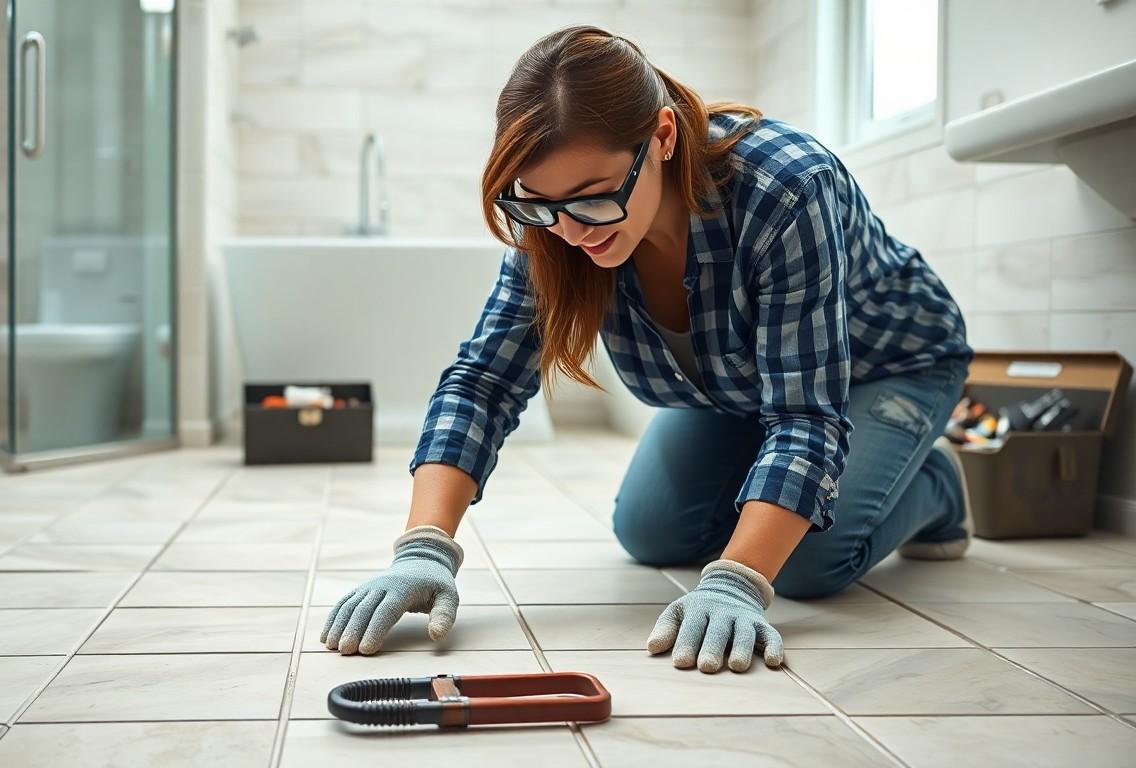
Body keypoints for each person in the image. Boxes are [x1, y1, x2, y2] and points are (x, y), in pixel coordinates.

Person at [320, 25, 974, 674]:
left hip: (889, 366)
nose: (571, 231)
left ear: (662, 137)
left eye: (594, 196)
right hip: (738, 392)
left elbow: (806, 416)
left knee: (806, 563)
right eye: (541, 204)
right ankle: (797, 479)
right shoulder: (553, 220)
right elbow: (483, 382)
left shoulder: (786, 186)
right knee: (652, 531)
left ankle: (936, 485)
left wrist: (738, 580)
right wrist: (425, 548)